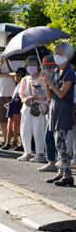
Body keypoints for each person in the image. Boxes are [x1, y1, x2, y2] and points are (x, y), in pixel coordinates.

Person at [41, 42, 76, 186]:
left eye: (59, 53)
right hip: (54, 110)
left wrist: (50, 82)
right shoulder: (56, 72)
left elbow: (61, 94)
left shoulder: (69, 72)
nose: (56, 55)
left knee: (60, 143)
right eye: (55, 52)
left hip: (63, 111)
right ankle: (61, 172)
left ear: (66, 55)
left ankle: (68, 175)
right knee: (57, 143)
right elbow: (50, 96)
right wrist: (46, 83)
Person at [0, 36, 23, 149]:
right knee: (2, 118)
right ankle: (5, 141)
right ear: (5, 42)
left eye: (12, 41)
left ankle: (14, 140)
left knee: (15, 117)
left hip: (14, 92)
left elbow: (18, 74)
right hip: (0, 91)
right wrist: (0, 64)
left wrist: (2, 74)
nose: (10, 43)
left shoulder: (18, 57)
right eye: (8, 41)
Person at [17, 56, 47, 163]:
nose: (31, 67)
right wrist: (25, 99)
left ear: (38, 66)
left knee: (38, 130)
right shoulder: (24, 79)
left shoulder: (42, 78)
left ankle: (40, 154)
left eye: (34, 65)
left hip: (38, 108)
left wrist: (31, 98)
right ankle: (27, 153)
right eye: (29, 65)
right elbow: (21, 93)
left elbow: (44, 94)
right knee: (25, 131)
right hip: (26, 108)